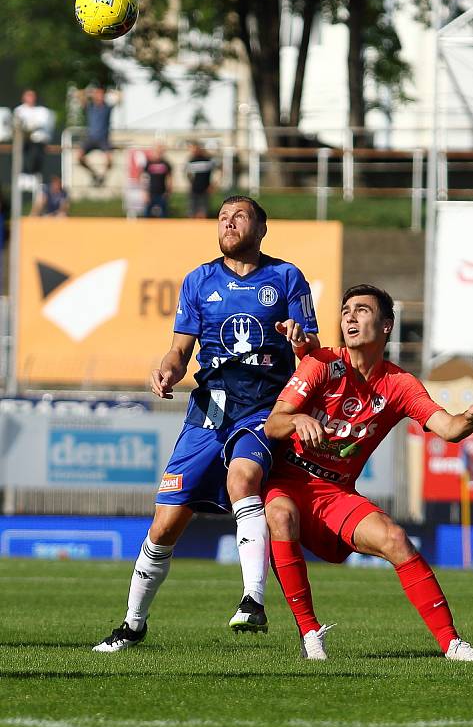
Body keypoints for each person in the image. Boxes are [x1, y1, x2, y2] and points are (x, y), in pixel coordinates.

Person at [93, 195, 319, 652]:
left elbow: (311, 348)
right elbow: (179, 350)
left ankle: (253, 600)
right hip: (210, 407)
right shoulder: (199, 280)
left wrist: (300, 338)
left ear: (261, 227)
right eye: (222, 217)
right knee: (165, 525)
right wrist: (167, 370)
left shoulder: (286, 277)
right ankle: (132, 626)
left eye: (239, 216)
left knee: (244, 478)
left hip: (263, 407)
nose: (228, 223)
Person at [263, 284, 473, 662]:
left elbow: (449, 429)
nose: (350, 317)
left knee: (395, 538)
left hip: (335, 493)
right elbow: (273, 424)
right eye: (345, 312)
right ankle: (310, 634)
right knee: (279, 513)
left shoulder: (399, 384)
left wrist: (471, 416)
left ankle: (453, 644)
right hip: (288, 483)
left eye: (362, 310)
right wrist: (298, 419)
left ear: (387, 325)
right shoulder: (322, 362)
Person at [77, 86, 115, 186]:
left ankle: (102, 177)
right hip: (91, 138)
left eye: (102, 94)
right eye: (98, 94)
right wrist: (89, 92)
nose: (100, 96)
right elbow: (79, 94)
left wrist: (112, 91)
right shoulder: (90, 107)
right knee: (79, 157)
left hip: (103, 139)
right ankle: (93, 174)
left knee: (110, 159)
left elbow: (120, 97)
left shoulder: (107, 108)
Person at [13, 89, 54, 176]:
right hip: (23, 142)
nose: (31, 98)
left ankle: (33, 175)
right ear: (23, 97)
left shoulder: (42, 111)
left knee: (36, 156)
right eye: (28, 96)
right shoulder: (19, 110)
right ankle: (24, 174)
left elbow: (42, 124)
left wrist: (30, 126)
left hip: (38, 143)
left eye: (32, 96)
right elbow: (19, 125)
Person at [185, 141, 217, 218]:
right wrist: (190, 182)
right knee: (192, 212)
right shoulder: (191, 160)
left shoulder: (208, 160)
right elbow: (188, 174)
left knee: (203, 212)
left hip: (205, 189)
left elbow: (220, 171)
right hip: (194, 189)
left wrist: (213, 185)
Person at [143, 144, 173, 218]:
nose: (159, 152)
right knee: (147, 215)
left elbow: (169, 178)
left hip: (162, 193)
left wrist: (168, 191)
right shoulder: (149, 163)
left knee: (163, 215)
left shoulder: (166, 164)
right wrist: (145, 192)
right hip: (150, 193)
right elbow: (144, 178)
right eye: (157, 150)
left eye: (161, 150)